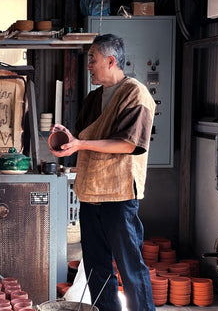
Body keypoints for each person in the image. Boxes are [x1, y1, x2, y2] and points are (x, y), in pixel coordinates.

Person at [50, 34, 156, 311]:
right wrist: (68, 138)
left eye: (92, 59)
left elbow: (128, 143)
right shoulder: (94, 97)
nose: (89, 66)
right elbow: (85, 137)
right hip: (91, 192)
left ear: (110, 61)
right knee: (98, 267)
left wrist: (80, 143)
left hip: (118, 195)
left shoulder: (136, 93)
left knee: (130, 266)